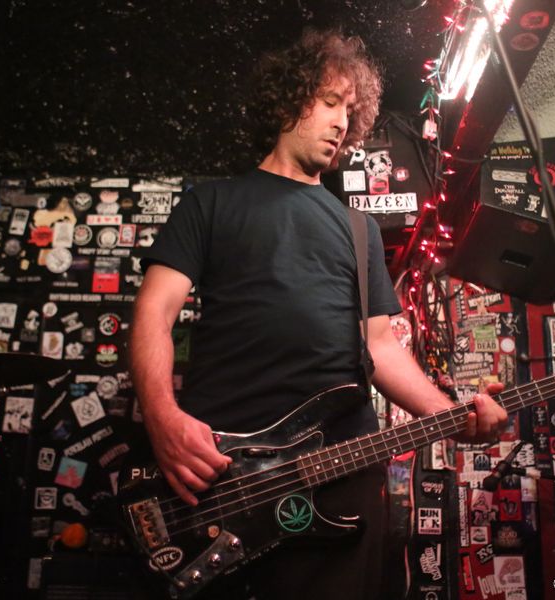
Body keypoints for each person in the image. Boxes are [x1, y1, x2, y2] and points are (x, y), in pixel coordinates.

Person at [129, 29, 507, 600]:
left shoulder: (359, 231)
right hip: (223, 470)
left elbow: (379, 346)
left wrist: (448, 414)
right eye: (331, 102)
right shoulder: (211, 202)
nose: (342, 124)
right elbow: (153, 314)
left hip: (340, 471)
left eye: (350, 112)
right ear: (289, 100)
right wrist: (161, 418)